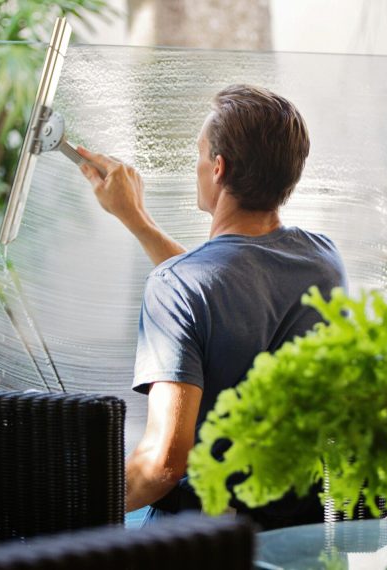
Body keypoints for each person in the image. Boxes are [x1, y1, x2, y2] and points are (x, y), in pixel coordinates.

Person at [76, 84, 347, 529]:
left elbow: (162, 465)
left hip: (204, 539)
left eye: (200, 154)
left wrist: (64, 503)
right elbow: (228, 285)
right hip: (298, 532)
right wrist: (137, 220)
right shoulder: (324, 261)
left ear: (218, 168)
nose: (197, 165)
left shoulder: (179, 286)